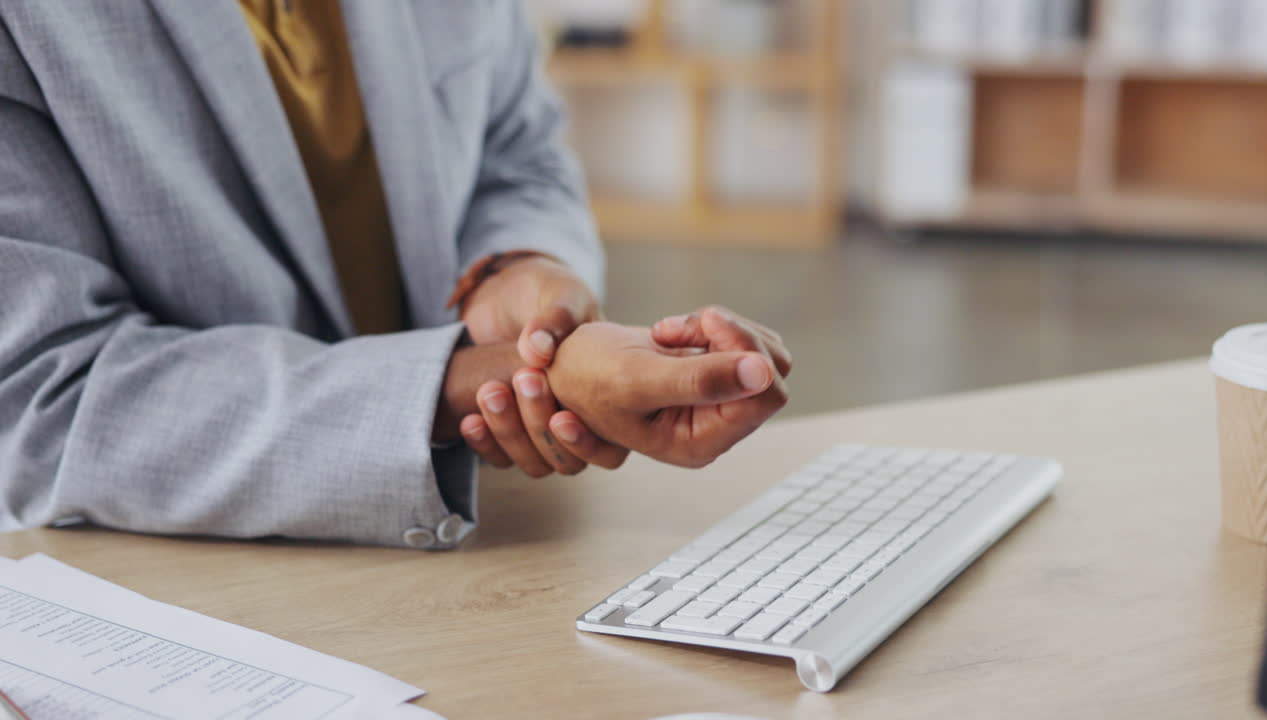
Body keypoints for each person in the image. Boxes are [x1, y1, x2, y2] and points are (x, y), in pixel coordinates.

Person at [0, 0, 791, 550]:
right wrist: (482, 382)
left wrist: (517, 266)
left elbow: (519, 152)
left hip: (486, 540)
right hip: (168, 586)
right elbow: (46, 400)